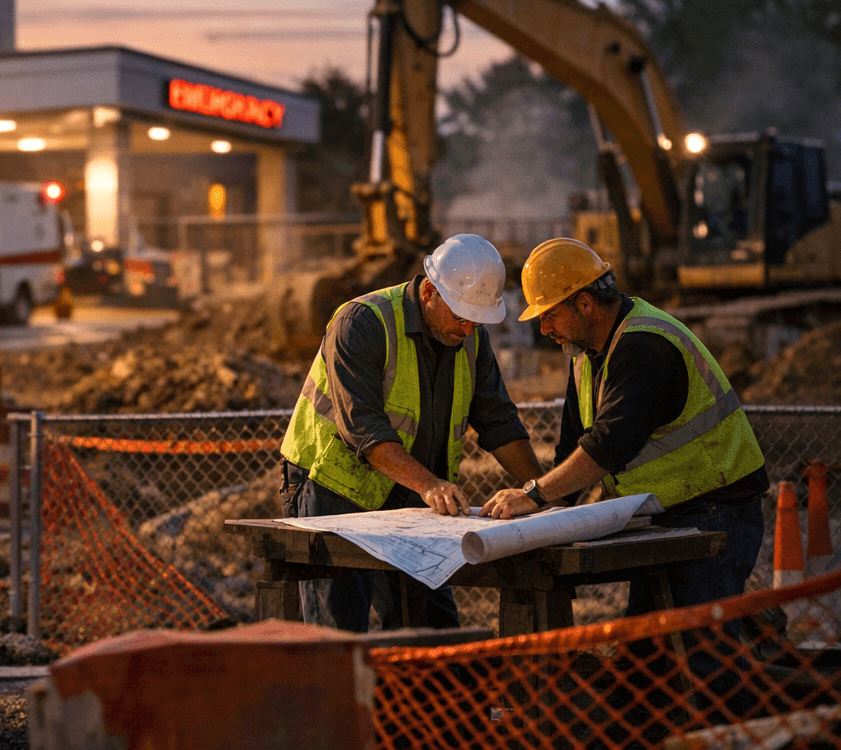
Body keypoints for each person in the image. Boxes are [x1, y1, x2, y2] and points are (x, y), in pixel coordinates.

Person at [482, 237, 768, 618]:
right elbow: (573, 449)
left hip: (714, 513)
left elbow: (608, 446)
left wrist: (533, 495)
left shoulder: (643, 346)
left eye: (549, 315)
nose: (544, 328)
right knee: (650, 661)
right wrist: (545, 511)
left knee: (702, 661)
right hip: (675, 517)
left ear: (585, 303)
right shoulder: (586, 354)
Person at [279, 233, 545, 632]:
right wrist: (430, 484)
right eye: (461, 317)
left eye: (476, 320)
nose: (469, 330)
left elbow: (499, 422)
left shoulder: (471, 339)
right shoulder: (362, 323)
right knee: (338, 630)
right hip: (332, 489)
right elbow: (363, 429)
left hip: (410, 494)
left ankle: (418, 695)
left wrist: (539, 491)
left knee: (431, 626)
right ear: (429, 292)